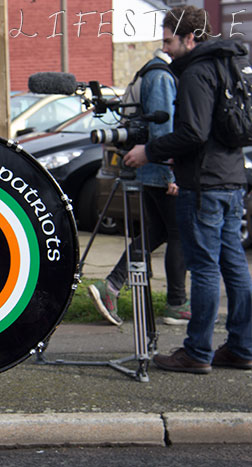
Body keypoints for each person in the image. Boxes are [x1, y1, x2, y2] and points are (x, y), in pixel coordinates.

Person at [123, 6, 252, 374]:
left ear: (190, 38)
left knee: (206, 269)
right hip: (232, 180)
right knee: (235, 268)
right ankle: (242, 347)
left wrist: (149, 151)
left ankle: (197, 352)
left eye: (169, 41)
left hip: (203, 186)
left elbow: (193, 132)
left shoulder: (196, 71)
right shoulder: (227, 65)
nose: (165, 49)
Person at [88, 49, 189, 327]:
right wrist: (172, 171)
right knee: (178, 233)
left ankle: (111, 286)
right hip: (160, 168)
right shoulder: (160, 76)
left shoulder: (146, 73)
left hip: (150, 167)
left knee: (155, 232)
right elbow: (163, 125)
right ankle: (177, 304)